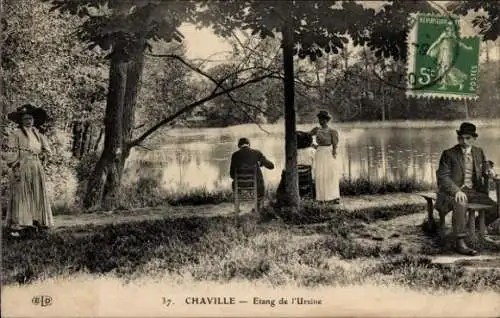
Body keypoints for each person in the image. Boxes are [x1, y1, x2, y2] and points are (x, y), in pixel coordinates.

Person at [435, 122, 499, 255]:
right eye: (461, 138)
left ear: (474, 138)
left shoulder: (478, 151)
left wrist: (489, 170)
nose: (464, 141)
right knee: (461, 202)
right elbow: (443, 177)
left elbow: (484, 164)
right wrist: (456, 190)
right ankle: (460, 242)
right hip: (451, 193)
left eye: (467, 138)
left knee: (497, 208)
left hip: (473, 192)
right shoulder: (448, 154)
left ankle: (473, 227)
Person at [3, 104, 54, 237]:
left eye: (30, 118)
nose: (28, 121)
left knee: (36, 191)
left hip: (36, 166)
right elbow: (10, 151)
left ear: (34, 120)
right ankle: (21, 224)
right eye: (25, 118)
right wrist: (15, 164)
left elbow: (47, 151)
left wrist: (42, 158)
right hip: (22, 165)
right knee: (22, 193)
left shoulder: (38, 134)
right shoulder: (16, 134)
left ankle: (37, 221)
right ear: (21, 120)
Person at [426, 20, 474, 91]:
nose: (450, 28)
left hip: (449, 54)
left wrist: (467, 48)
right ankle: (444, 85)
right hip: (442, 53)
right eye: (449, 26)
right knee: (442, 69)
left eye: (451, 26)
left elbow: (460, 43)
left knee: (448, 69)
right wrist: (429, 49)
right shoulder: (444, 34)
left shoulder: (453, 35)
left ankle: (461, 82)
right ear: (447, 27)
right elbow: (437, 42)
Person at [229, 138, 275, 209]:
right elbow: (271, 166)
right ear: (249, 144)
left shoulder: (234, 155)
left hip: (240, 184)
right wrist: (261, 163)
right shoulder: (256, 153)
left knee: (234, 183)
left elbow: (232, 175)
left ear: (239, 146)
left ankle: (237, 208)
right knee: (260, 182)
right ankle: (257, 206)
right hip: (255, 184)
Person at [309, 110, 340, 203]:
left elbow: (335, 145)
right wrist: (311, 145)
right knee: (320, 175)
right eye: (319, 119)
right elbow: (306, 136)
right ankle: (321, 198)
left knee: (330, 174)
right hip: (319, 153)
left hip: (328, 153)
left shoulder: (332, 131)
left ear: (327, 120)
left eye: (323, 119)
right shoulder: (316, 130)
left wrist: (334, 153)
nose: (321, 121)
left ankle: (333, 197)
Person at [297, 131, 316, 198]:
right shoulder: (312, 151)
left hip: (296, 176)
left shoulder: (293, 151)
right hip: (307, 175)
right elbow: (315, 166)